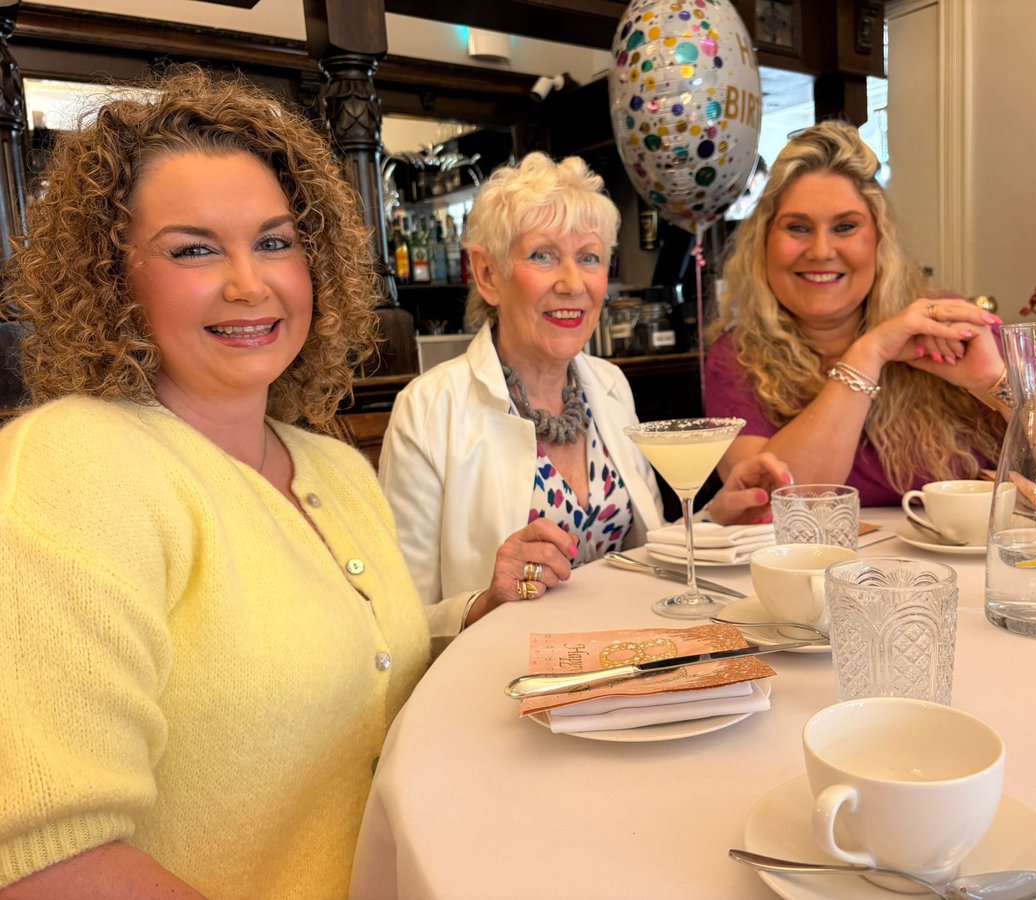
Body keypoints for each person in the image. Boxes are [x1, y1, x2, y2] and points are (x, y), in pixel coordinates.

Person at [0, 68, 429, 898]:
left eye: (274, 241)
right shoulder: (69, 469)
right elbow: (50, 866)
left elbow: (352, 659)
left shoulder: (335, 466)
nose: (249, 282)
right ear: (110, 277)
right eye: (194, 249)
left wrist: (466, 616)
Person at [378, 152, 789, 649]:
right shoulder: (427, 410)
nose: (573, 283)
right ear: (487, 274)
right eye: (543, 255)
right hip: (503, 676)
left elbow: (641, 560)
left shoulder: (610, 385)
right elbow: (396, 624)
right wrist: (485, 600)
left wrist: (714, 519)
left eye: (589, 257)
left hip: (631, 660)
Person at [706, 121, 1011, 506]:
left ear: (879, 240)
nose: (820, 251)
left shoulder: (946, 325)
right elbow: (771, 500)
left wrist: (994, 381)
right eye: (797, 227)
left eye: (845, 227)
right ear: (763, 244)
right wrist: (868, 354)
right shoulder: (737, 358)